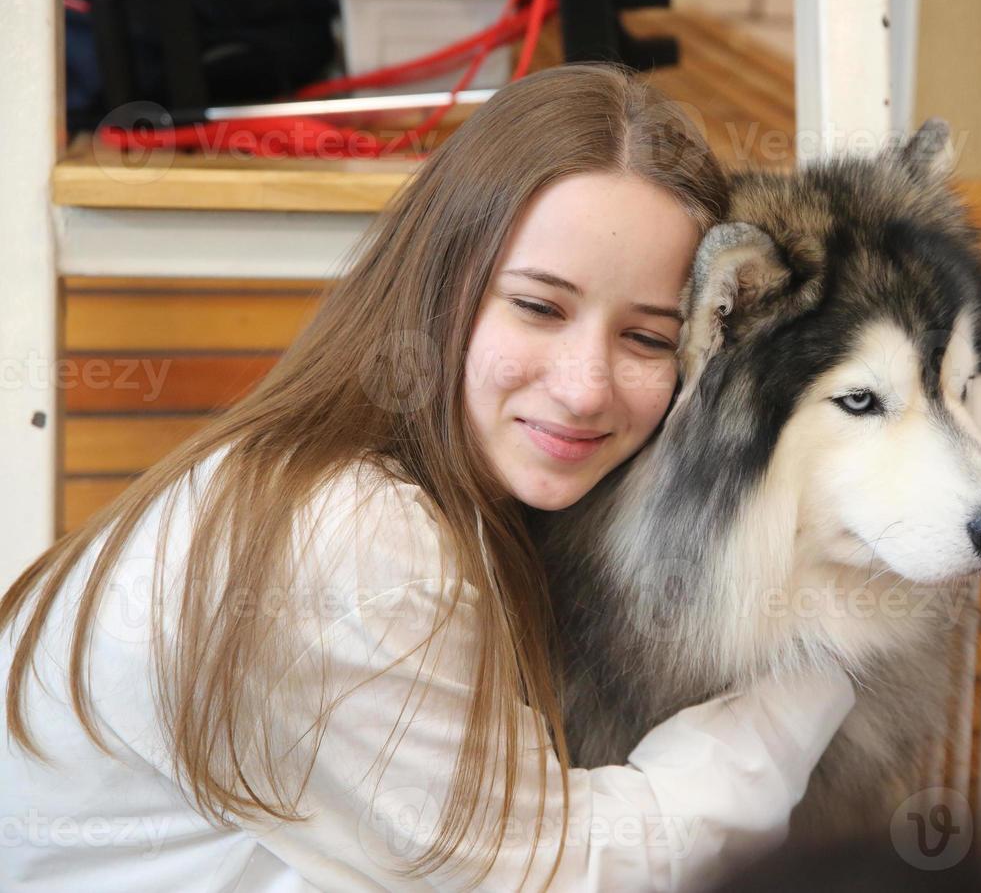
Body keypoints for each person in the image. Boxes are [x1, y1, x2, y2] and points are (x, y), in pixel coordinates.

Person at [0, 63, 857, 891]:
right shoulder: (351, 538)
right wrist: (823, 663)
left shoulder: (420, 493)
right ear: (439, 287)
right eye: (537, 307)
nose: (585, 386)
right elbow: (560, 874)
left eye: (645, 339)